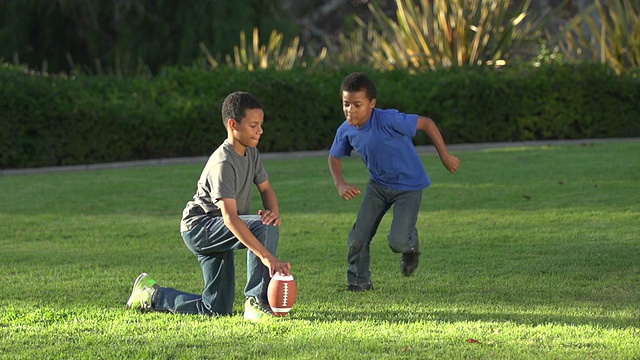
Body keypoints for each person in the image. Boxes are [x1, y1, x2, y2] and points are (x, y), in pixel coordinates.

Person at [126, 91, 291, 321]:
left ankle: (151, 294)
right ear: (233, 125)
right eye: (254, 125)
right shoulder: (223, 162)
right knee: (263, 226)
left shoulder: (252, 153)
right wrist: (267, 257)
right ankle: (256, 301)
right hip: (200, 228)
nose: (260, 130)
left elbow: (266, 188)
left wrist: (273, 212)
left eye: (261, 124)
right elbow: (231, 219)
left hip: (216, 229)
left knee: (216, 309)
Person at [328, 72, 460, 292]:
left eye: (357, 105)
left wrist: (445, 156)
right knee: (358, 237)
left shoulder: (389, 119)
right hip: (378, 186)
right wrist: (340, 183)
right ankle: (359, 281)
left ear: (372, 104)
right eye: (346, 104)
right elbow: (334, 156)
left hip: (409, 187)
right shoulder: (345, 130)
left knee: (397, 241)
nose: (350, 110)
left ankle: (411, 245)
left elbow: (426, 124)